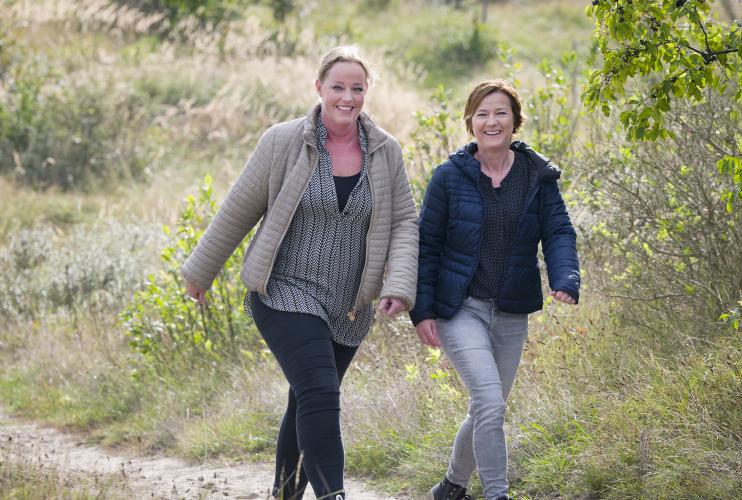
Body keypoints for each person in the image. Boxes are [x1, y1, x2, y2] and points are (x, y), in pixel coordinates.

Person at [181, 45, 418, 500]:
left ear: (367, 92)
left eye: (357, 88)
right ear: (319, 88)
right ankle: (335, 494)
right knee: (322, 392)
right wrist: (202, 271)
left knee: (306, 398)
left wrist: (399, 286)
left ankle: (284, 494)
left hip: (349, 304)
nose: (347, 97)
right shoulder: (284, 141)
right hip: (284, 289)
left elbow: (405, 222)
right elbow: (239, 207)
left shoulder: (386, 152)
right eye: (338, 87)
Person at [410, 80, 580, 500]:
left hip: (511, 310)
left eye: (500, 112)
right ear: (470, 123)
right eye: (482, 114)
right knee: (488, 401)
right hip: (459, 308)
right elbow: (426, 246)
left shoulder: (537, 176)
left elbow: (558, 231)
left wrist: (565, 278)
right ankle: (497, 493)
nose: (492, 121)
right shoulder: (449, 178)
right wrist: (423, 311)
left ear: (515, 121)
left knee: (487, 407)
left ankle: (451, 486)